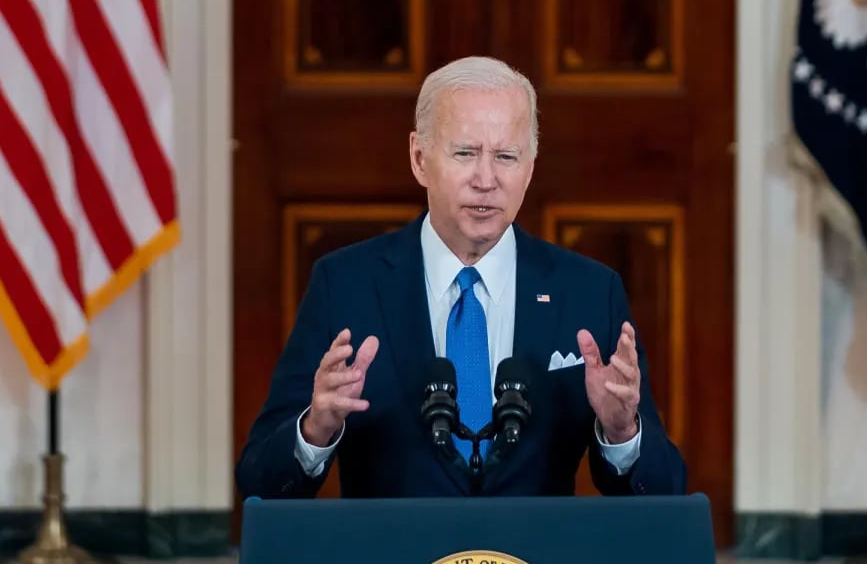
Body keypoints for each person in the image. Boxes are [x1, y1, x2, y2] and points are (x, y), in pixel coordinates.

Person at [235, 56, 686, 499]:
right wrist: (316, 428)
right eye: (466, 153)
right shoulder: (347, 285)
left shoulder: (588, 292)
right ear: (419, 158)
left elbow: (665, 493)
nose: (485, 179)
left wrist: (622, 431)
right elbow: (260, 481)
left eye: (506, 156)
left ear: (530, 167)